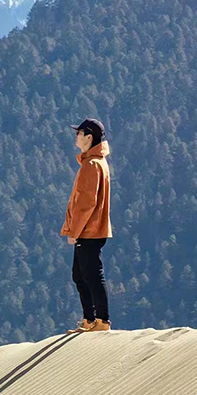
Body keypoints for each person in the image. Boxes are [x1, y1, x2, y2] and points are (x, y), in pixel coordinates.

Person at [60, 118, 113, 333]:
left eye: (79, 133)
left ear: (89, 137)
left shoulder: (91, 165)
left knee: (90, 275)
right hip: (91, 230)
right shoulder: (95, 161)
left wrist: (74, 231)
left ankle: (100, 320)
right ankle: (90, 320)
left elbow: (86, 203)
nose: (76, 136)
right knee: (80, 275)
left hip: (88, 231)